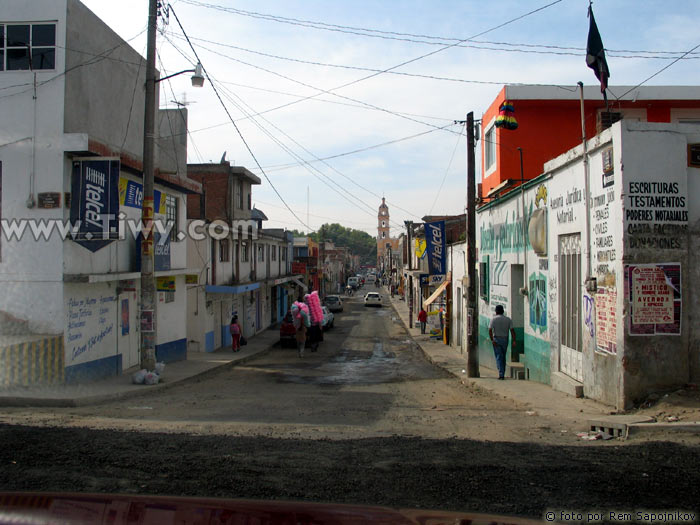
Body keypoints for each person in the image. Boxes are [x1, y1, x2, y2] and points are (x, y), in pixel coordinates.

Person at [489, 305, 516, 380]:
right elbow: (512, 331)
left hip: (496, 339)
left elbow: (490, 330)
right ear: (503, 311)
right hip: (505, 339)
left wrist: (492, 340)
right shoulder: (508, 320)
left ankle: (501, 373)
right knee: (503, 356)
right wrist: (514, 340)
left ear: (496, 311)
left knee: (498, 356)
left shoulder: (493, 320)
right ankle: (502, 371)